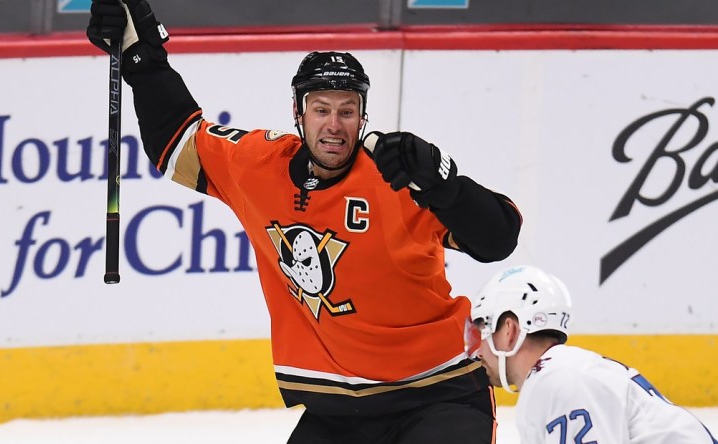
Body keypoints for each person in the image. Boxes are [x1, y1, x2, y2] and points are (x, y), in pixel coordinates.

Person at [86, 1, 522, 442]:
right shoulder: (258, 166)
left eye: (347, 111)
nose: (334, 125)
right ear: (298, 113)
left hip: (439, 394)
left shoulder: (398, 175)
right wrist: (141, 57)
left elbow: (499, 238)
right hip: (339, 411)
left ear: (363, 115)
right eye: (321, 109)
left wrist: (446, 185)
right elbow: (177, 139)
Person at [469, 265, 717, 443]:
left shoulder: (558, 381)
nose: (478, 350)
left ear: (510, 329)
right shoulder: (559, 374)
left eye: (483, 327)